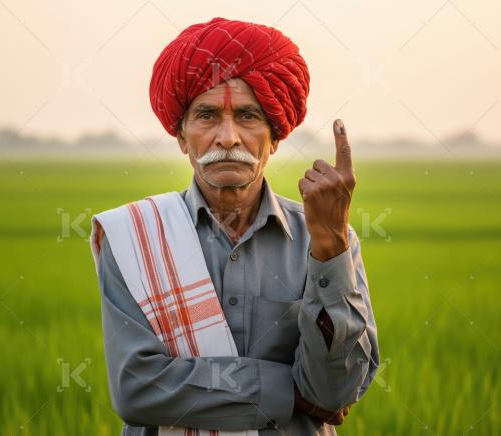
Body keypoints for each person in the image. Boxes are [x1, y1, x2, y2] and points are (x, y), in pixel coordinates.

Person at [91, 17, 379, 435]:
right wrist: (291, 393)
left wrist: (330, 247)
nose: (228, 137)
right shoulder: (134, 239)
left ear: (275, 137)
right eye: (206, 116)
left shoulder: (327, 240)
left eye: (248, 116)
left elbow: (336, 391)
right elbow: (137, 389)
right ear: (181, 136)